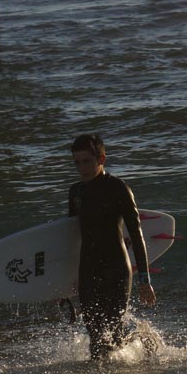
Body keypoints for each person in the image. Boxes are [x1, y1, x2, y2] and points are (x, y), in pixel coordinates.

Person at [68, 134, 156, 360]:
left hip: (116, 269)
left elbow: (136, 235)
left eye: (87, 161)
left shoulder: (118, 189)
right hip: (88, 270)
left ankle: (141, 337)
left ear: (101, 159)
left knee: (113, 338)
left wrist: (144, 280)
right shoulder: (75, 192)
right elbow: (71, 237)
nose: (82, 168)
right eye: (77, 162)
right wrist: (66, 279)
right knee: (96, 340)